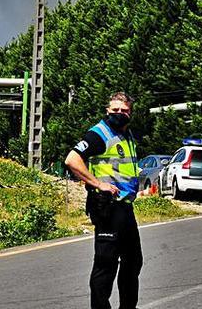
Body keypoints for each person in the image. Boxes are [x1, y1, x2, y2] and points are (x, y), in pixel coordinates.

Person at [65, 92, 142, 309]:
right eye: (115, 110)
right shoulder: (99, 134)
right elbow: (72, 160)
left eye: (124, 110)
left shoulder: (127, 135)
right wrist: (98, 184)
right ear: (107, 111)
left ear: (130, 113)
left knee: (133, 261)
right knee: (106, 264)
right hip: (107, 206)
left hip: (125, 206)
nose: (119, 113)